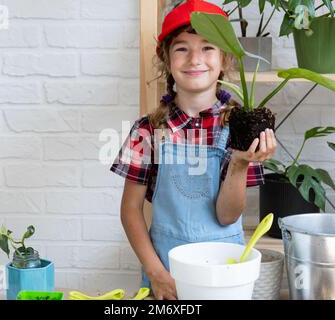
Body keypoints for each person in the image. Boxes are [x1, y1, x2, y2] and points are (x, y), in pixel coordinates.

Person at [110, 0, 276, 300]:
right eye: (182, 48)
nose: (194, 58)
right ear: (167, 59)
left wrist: (239, 163)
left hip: (224, 276)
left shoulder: (240, 129)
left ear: (224, 59)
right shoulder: (146, 131)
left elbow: (227, 216)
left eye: (208, 47)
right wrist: (157, 274)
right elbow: (130, 210)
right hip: (165, 274)